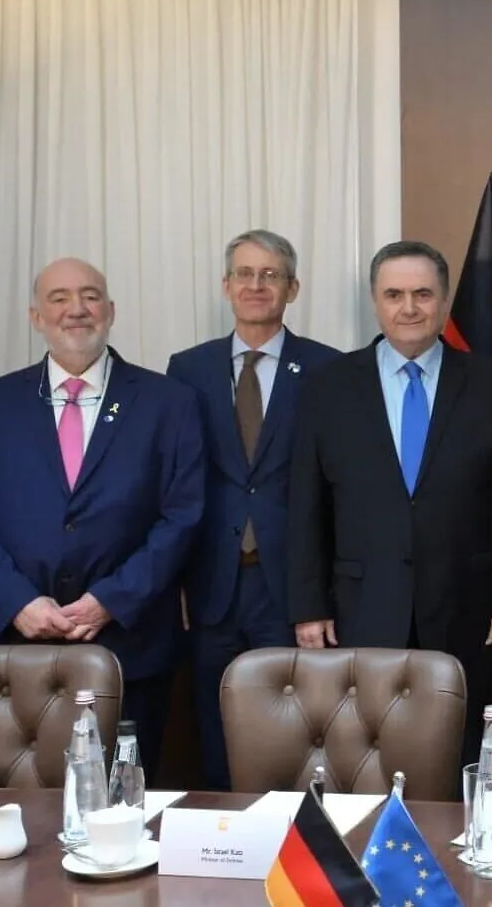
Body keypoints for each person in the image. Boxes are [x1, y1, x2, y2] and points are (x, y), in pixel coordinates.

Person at [0, 258, 205, 771]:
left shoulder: (169, 403)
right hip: (18, 642)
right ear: (36, 316)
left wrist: (111, 600)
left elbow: (183, 514)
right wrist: (17, 601)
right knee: (24, 795)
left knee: (123, 797)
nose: (76, 309)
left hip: (131, 643)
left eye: (90, 296)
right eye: (59, 298)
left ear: (111, 310)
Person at [287, 241, 492, 767]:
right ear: (375, 302)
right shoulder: (328, 387)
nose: (409, 308)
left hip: (468, 607)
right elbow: (306, 502)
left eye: (423, 294)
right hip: (361, 605)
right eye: (394, 295)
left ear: (444, 301)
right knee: (367, 754)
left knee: (461, 750)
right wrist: (309, 606)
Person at [166, 230, 340, 791]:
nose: (256, 285)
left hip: (291, 583)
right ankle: (226, 828)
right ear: (226, 286)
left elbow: (337, 484)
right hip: (211, 583)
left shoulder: (329, 368)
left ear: (293, 288)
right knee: (217, 722)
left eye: (270, 275)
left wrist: (323, 590)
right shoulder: (187, 369)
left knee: (295, 727)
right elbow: (177, 479)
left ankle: (293, 830)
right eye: (244, 274)